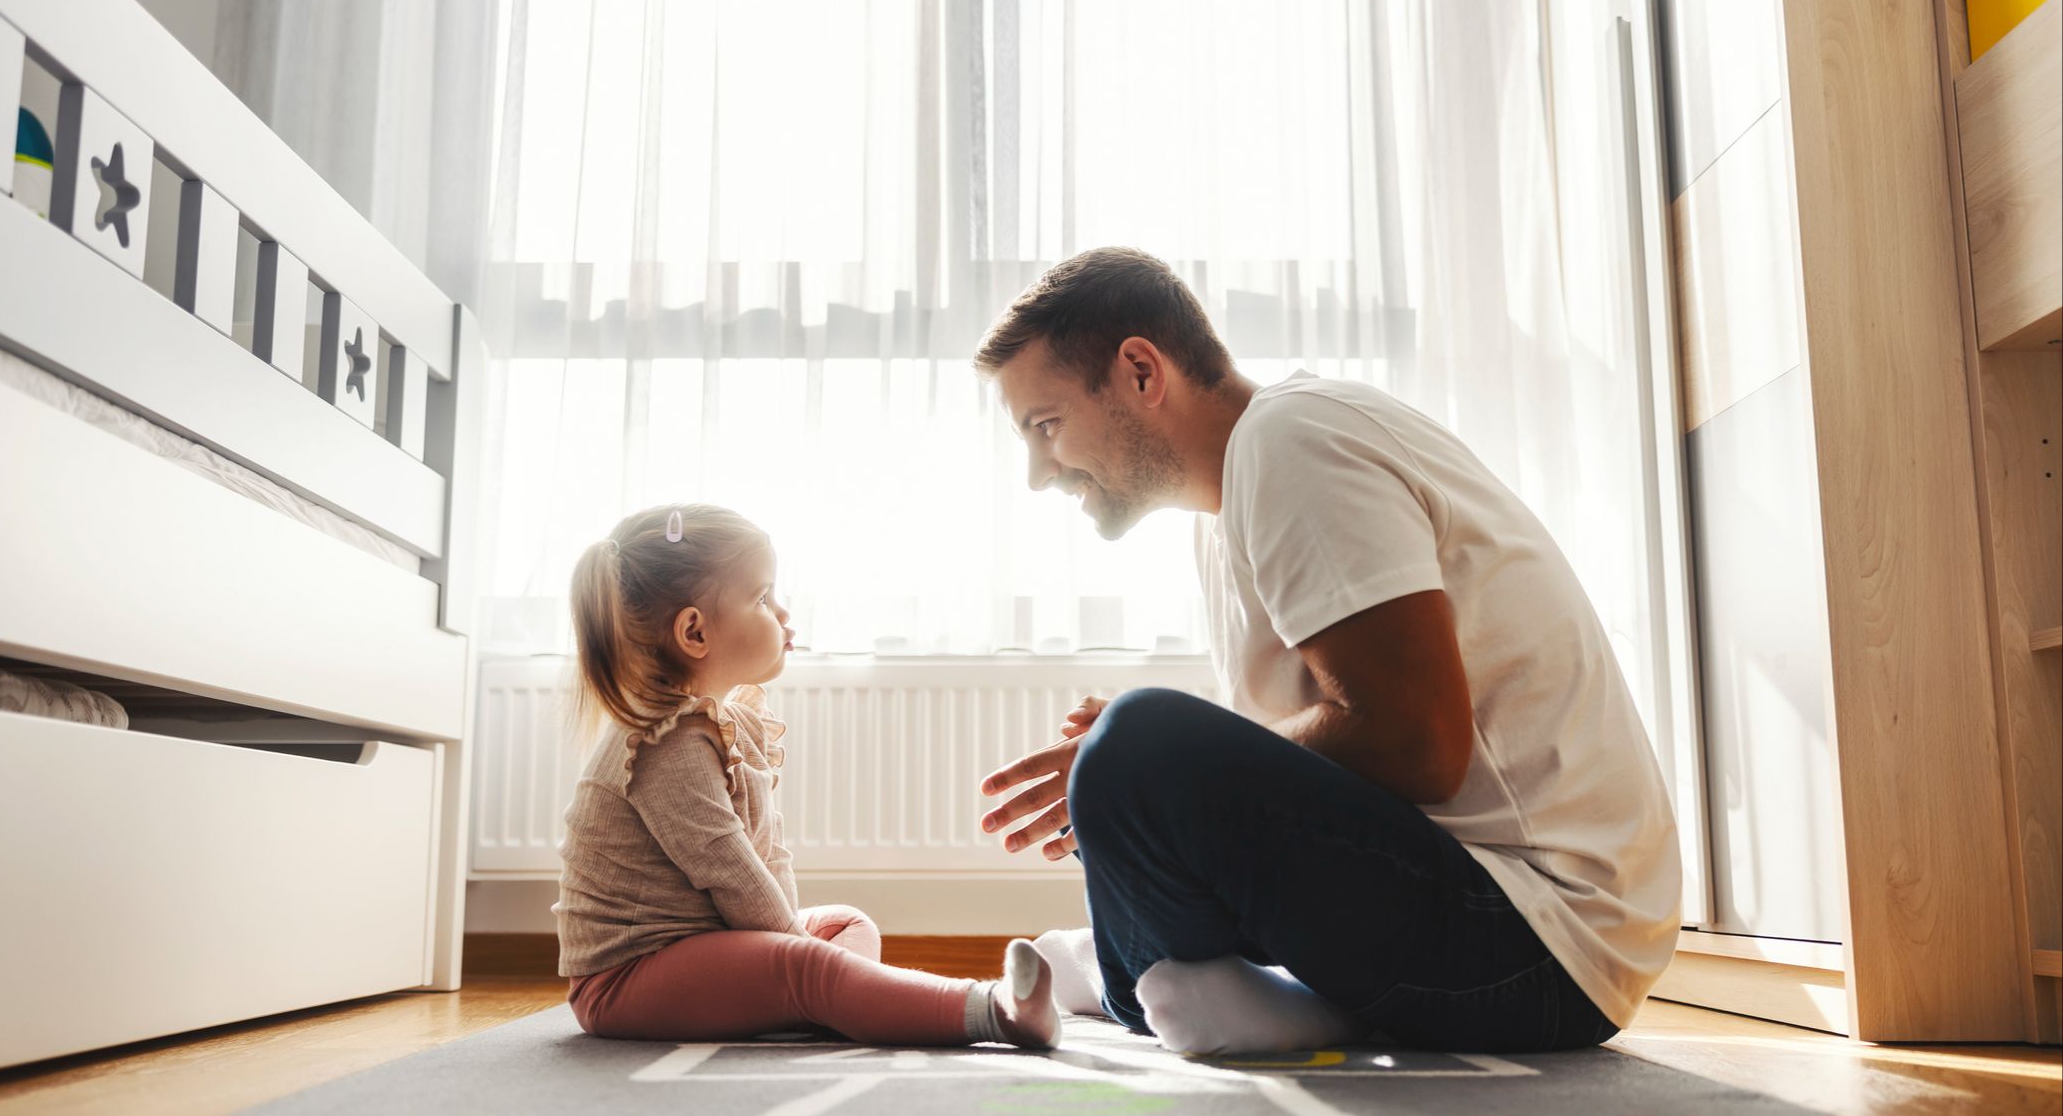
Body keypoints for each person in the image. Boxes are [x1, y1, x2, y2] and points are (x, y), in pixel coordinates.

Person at [974, 247, 1680, 1054]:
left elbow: (1418, 744)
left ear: (1140, 370)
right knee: (1128, 758)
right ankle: (1190, 985)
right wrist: (1161, 777)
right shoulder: (1229, 506)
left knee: (1136, 741)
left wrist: (1157, 761)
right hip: (1505, 928)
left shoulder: (1292, 440)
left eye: (1046, 426)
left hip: (1540, 941)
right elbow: (1317, 767)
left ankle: (1147, 982)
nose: (1038, 472)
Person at [556, 503, 1058, 1049]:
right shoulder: (663, 743)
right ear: (694, 632)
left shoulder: (720, 723)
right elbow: (732, 873)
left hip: (704, 945)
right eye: (762, 599)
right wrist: (798, 954)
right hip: (626, 981)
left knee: (845, 924)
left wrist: (799, 946)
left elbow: (766, 854)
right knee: (806, 964)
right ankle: (996, 1013)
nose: (784, 613)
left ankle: (825, 1005)